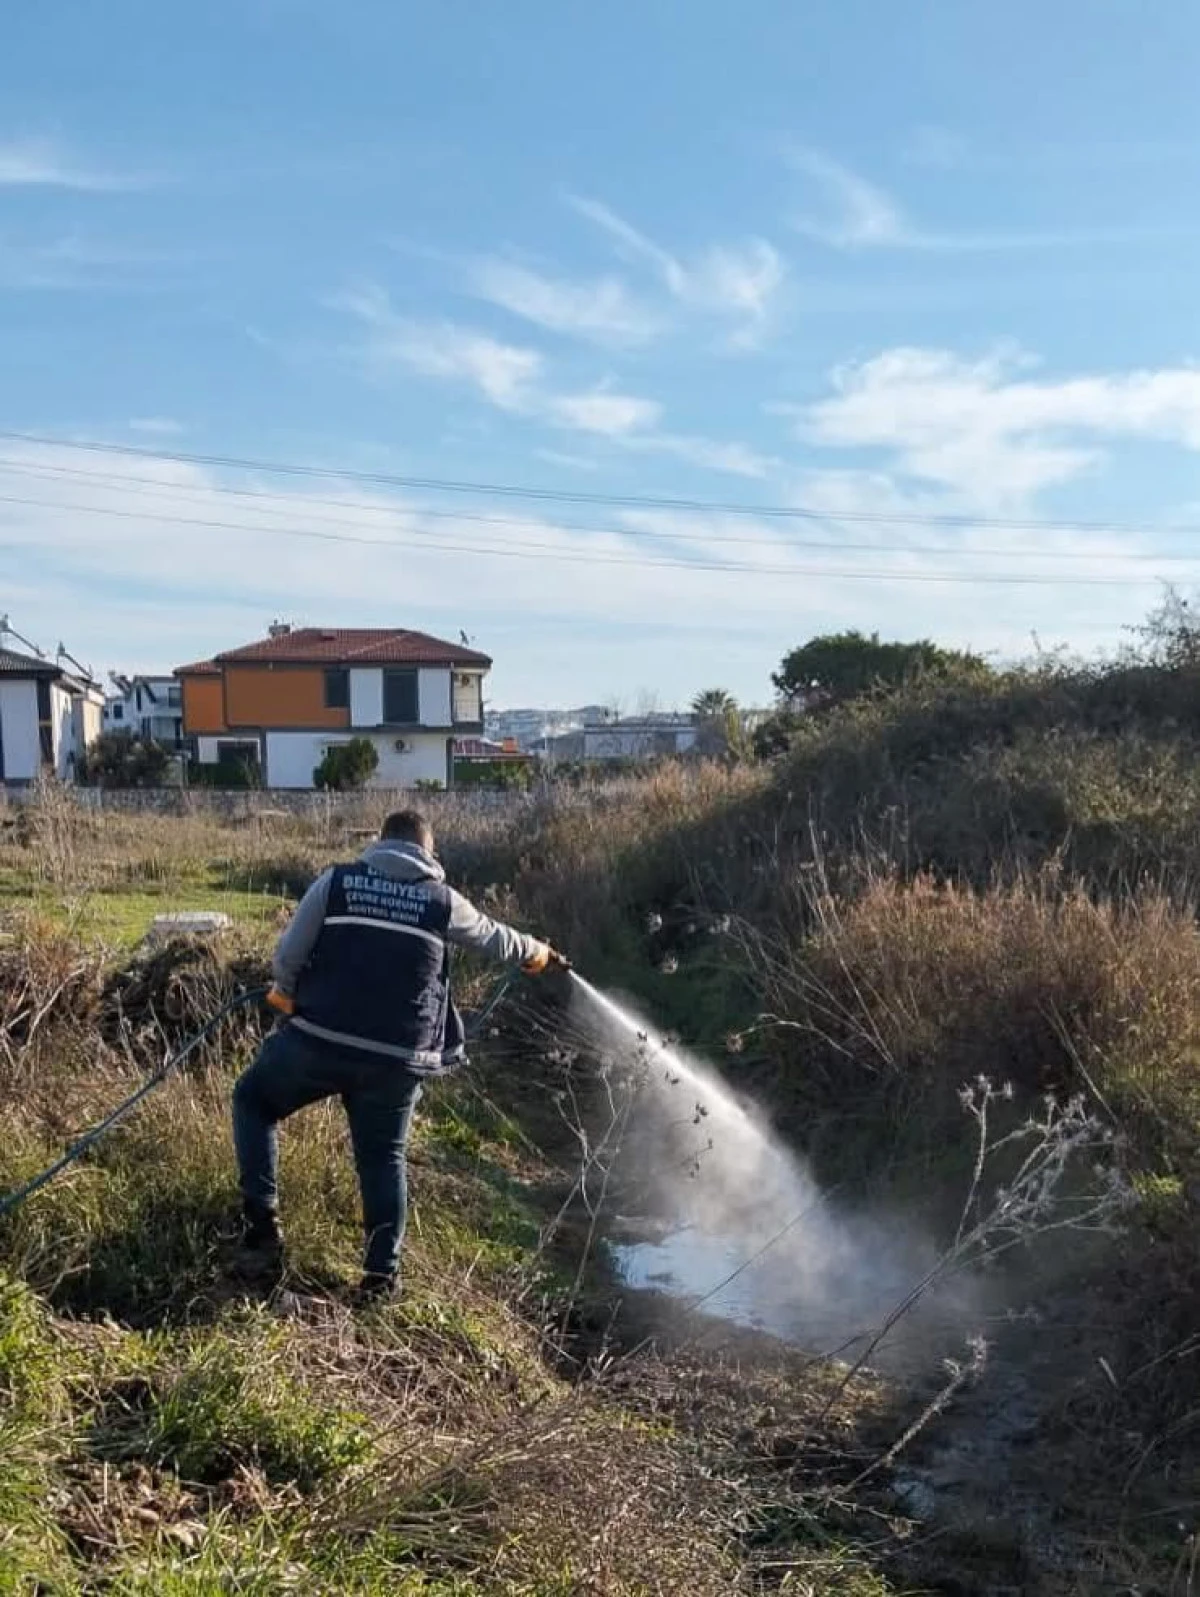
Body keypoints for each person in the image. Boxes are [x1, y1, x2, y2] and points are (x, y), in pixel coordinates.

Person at [231, 808, 567, 1302]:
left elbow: (289, 954)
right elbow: (496, 937)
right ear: (428, 852)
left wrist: (285, 992)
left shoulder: (335, 883)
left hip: (319, 1039)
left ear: (379, 842)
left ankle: (262, 1230)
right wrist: (538, 952)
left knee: (253, 1101)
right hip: (396, 1058)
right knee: (383, 1158)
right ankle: (380, 1279)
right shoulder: (442, 901)